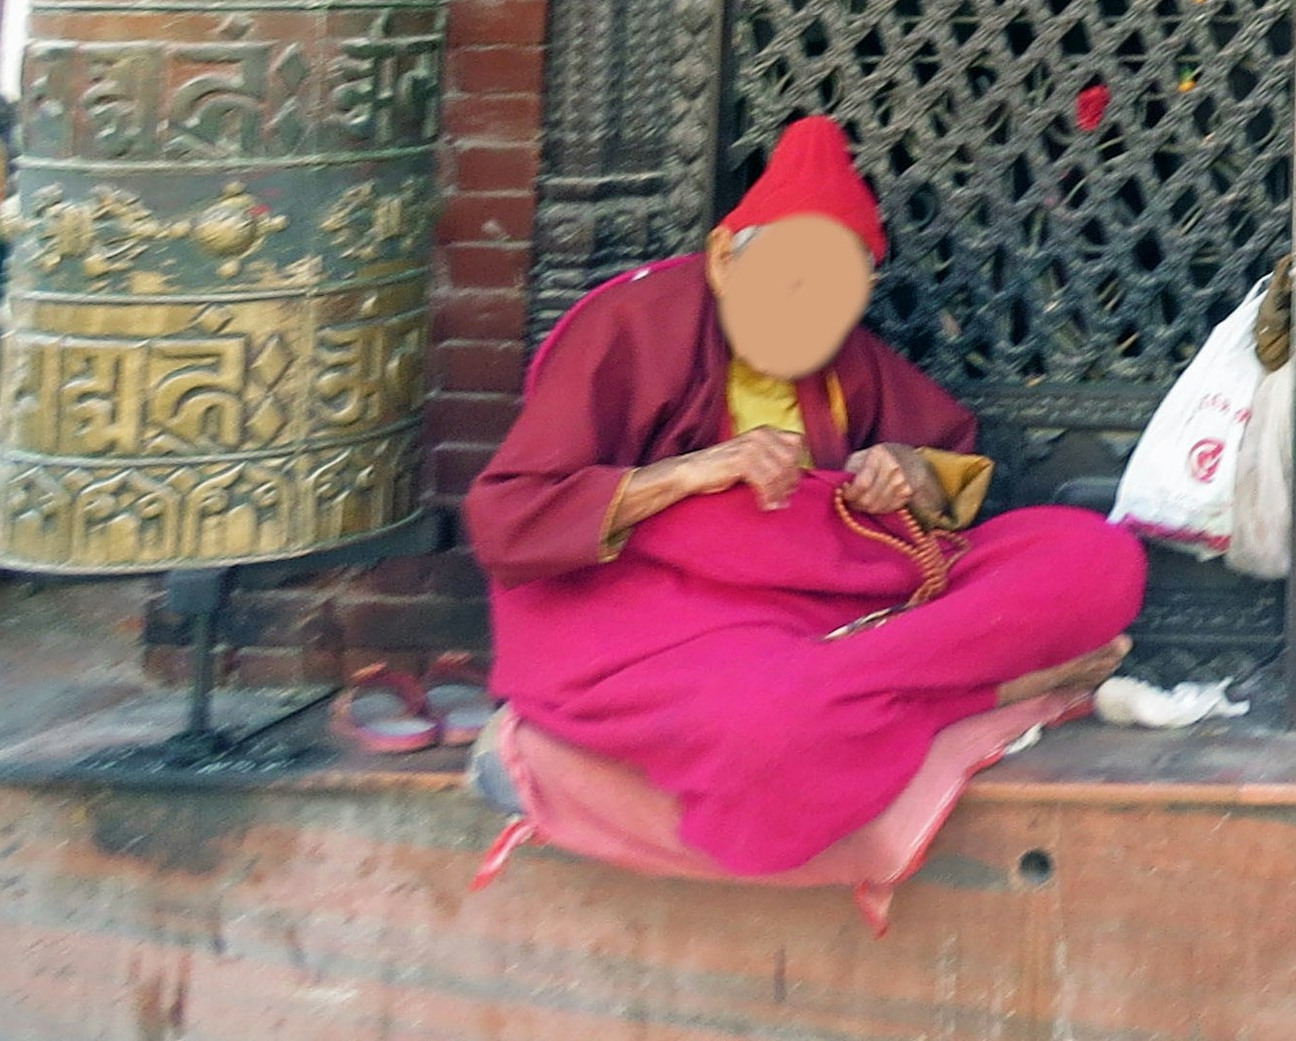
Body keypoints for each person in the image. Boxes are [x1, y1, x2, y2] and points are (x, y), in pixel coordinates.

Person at [467, 115, 1144, 876]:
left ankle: (866, 703)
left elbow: (950, 482)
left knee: (1094, 557)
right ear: (724, 259)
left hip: (834, 617)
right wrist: (690, 474)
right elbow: (510, 518)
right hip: (679, 626)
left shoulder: (850, 359)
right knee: (767, 727)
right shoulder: (633, 326)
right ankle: (1002, 689)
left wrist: (908, 474)